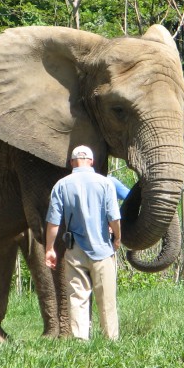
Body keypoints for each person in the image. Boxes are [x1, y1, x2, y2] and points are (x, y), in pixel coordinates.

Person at [45, 145, 121, 340]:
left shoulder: (61, 185)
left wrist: (50, 249)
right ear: (92, 161)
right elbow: (114, 218)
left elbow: (53, 222)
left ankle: (80, 342)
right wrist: (118, 238)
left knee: (77, 298)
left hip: (74, 250)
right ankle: (110, 340)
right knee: (106, 300)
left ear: (71, 163)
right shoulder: (105, 184)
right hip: (103, 249)